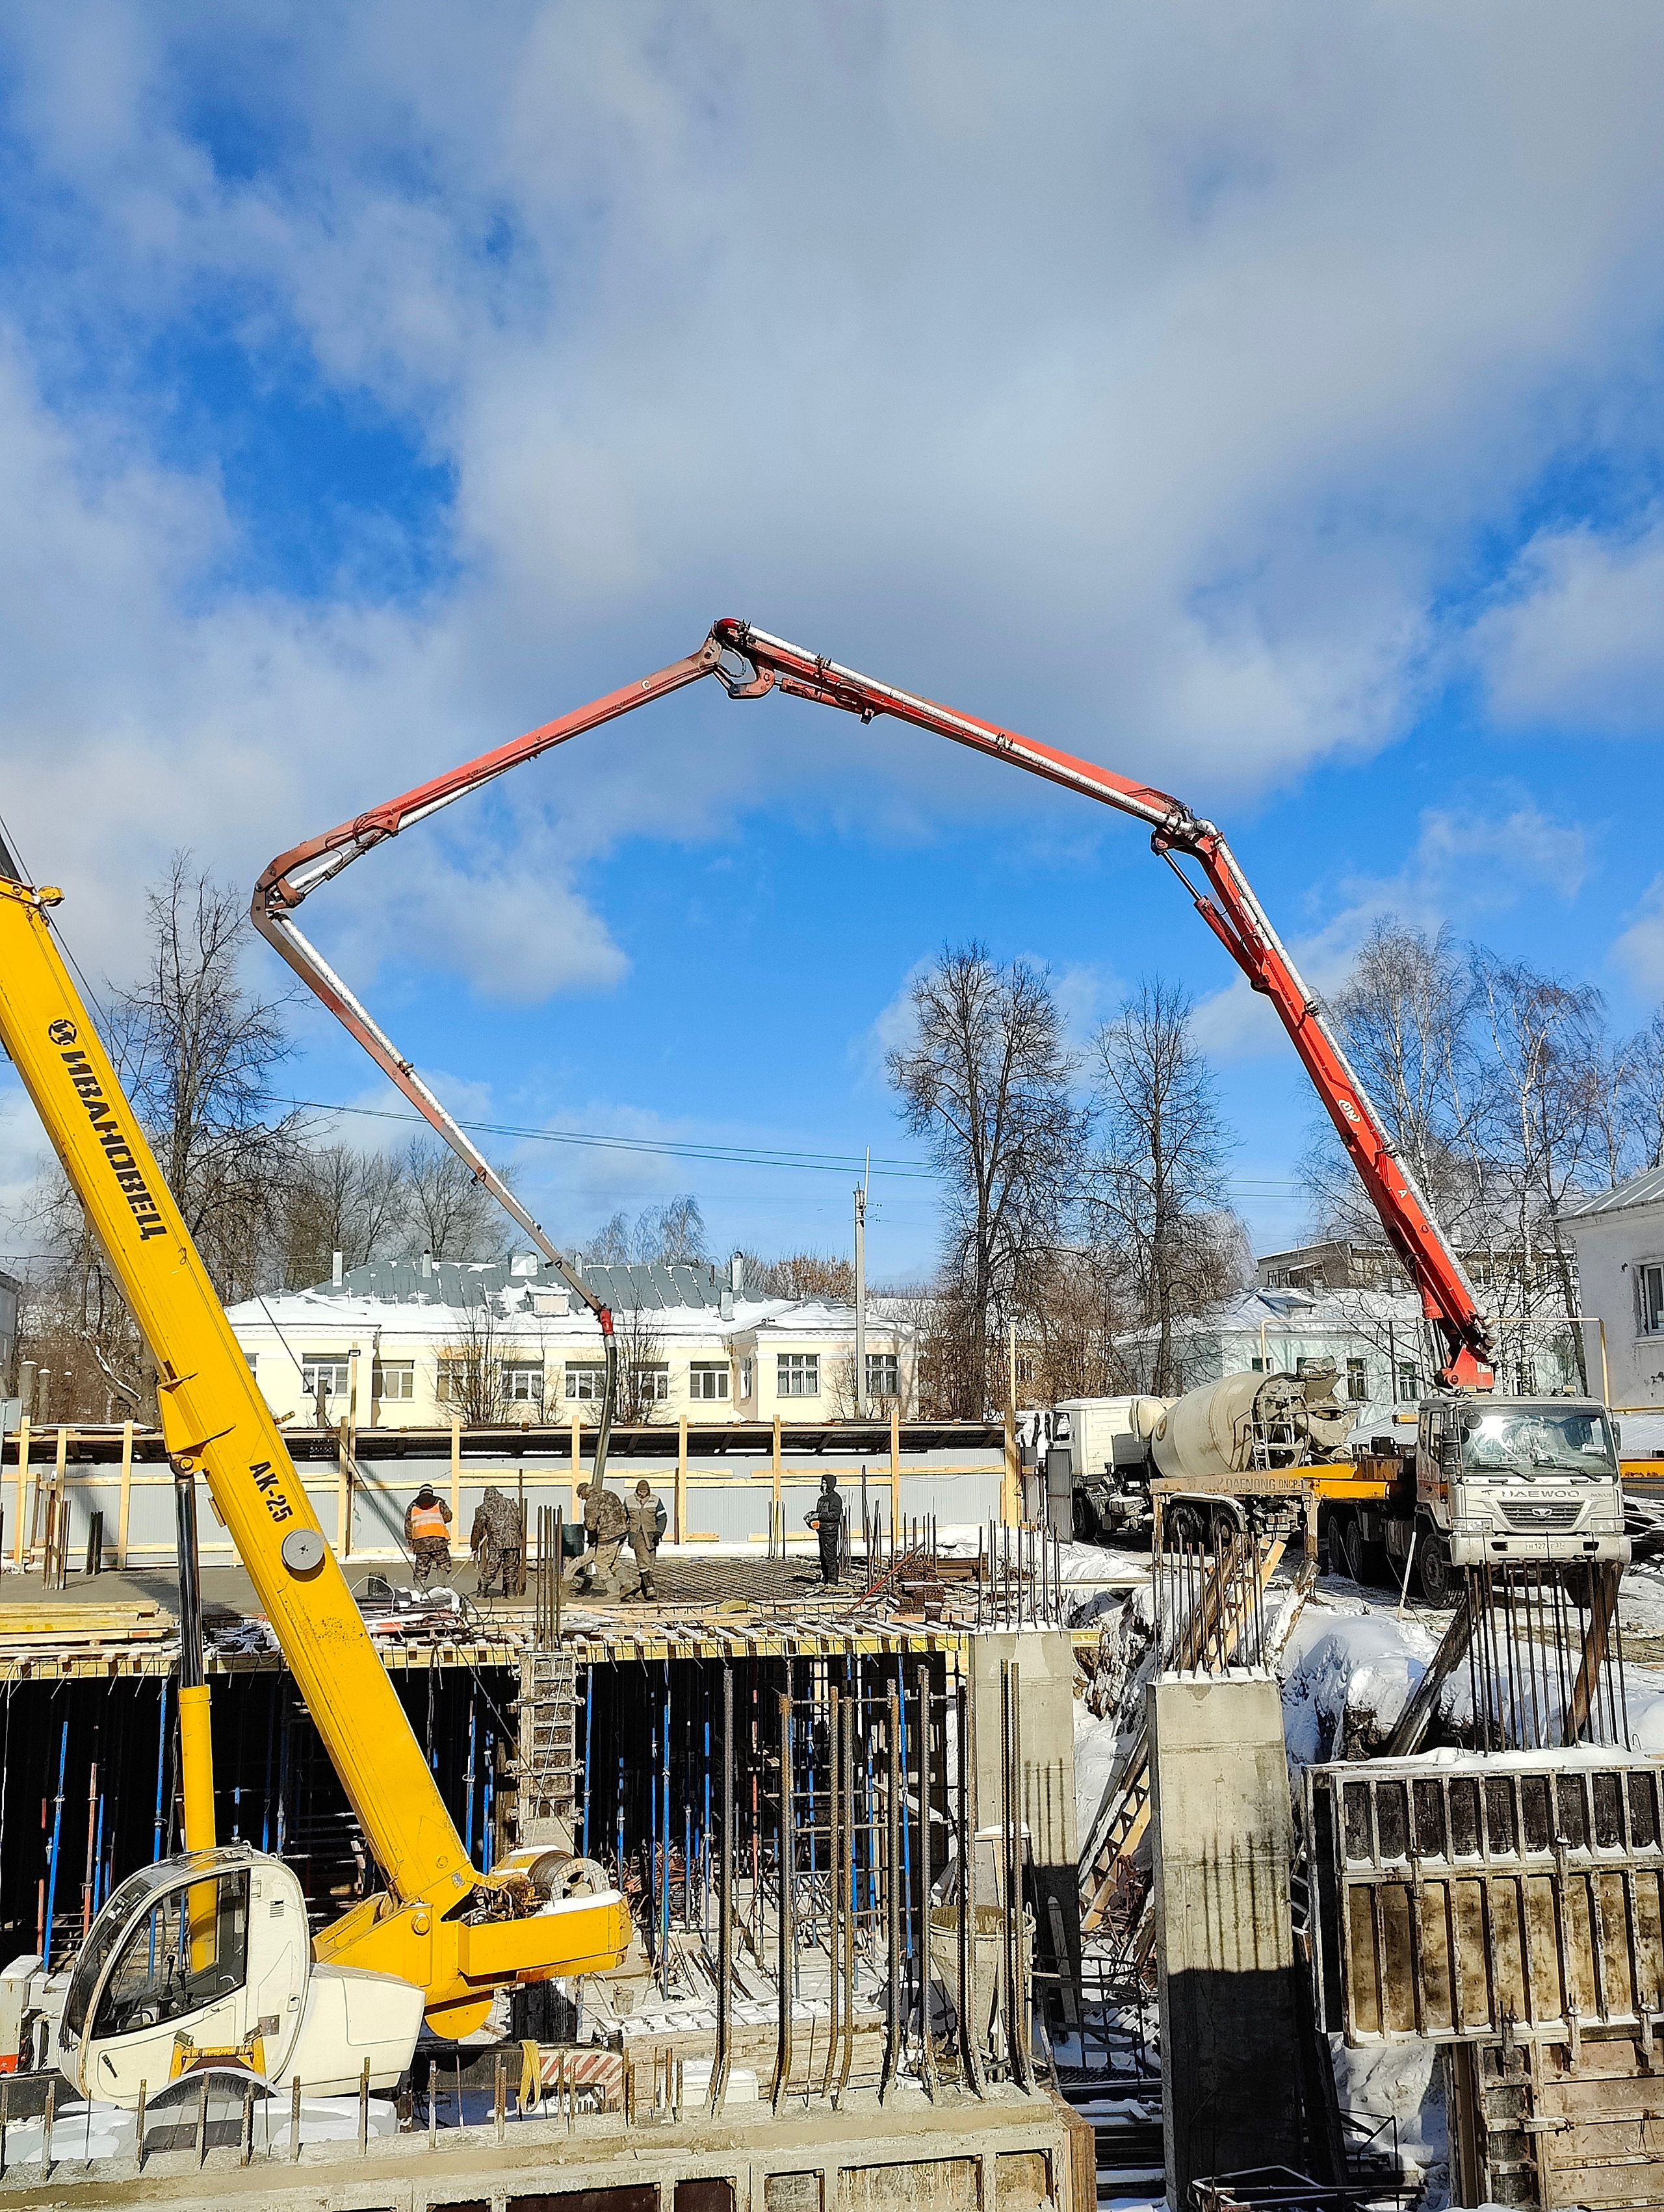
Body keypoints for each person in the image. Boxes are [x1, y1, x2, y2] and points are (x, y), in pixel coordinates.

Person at [563, 1480, 628, 1596]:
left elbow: (591, 1525)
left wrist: (592, 1537)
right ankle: (628, 1584)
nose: (582, 1498)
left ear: (584, 1492)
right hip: (622, 1533)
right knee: (613, 1563)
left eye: (580, 1495)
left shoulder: (592, 1502)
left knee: (601, 1564)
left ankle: (613, 1593)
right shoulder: (610, 1494)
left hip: (607, 1536)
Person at [469, 1484, 523, 1598]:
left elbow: (477, 1528)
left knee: (492, 1566)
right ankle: (511, 1593)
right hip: (513, 1541)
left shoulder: (485, 1507)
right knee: (512, 1566)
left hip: (497, 1542)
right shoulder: (512, 1504)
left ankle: (482, 1591)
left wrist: (474, 1545)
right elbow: (519, 1520)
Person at [623, 1479, 668, 1601]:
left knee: (650, 1564)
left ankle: (642, 1591)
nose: (642, 1494)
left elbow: (662, 1517)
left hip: (651, 1536)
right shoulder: (629, 1500)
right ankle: (650, 1589)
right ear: (637, 1491)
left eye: (645, 1491)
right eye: (640, 1491)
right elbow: (624, 1518)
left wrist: (659, 1532)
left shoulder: (656, 1500)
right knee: (643, 1562)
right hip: (636, 1535)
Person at [404, 1483, 453, 1588]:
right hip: (438, 1542)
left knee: (421, 1569)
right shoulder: (439, 1502)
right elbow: (448, 1517)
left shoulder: (412, 1506)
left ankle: (420, 1592)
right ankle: (442, 1587)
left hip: (421, 1544)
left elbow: (408, 1527)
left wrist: (411, 1542)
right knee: (443, 1564)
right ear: (431, 1492)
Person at [806, 1471, 844, 1585]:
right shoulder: (821, 1499)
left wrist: (819, 1516)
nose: (823, 1485)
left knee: (830, 1557)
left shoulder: (835, 1498)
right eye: (822, 1483)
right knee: (823, 1557)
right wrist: (811, 1517)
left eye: (825, 1483)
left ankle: (832, 1581)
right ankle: (826, 1579)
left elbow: (835, 1515)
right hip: (822, 1531)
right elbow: (820, 1513)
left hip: (830, 1532)